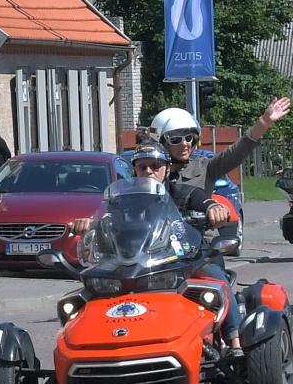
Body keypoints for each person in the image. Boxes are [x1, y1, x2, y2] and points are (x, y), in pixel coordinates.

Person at [73, 143, 244, 359]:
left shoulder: (185, 193)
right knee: (90, 294)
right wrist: (88, 224)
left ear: (167, 169)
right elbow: (105, 218)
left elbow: (205, 203)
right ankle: (90, 348)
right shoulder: (122, 201)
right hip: (137, 265)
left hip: (185, 261)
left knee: (215, 277)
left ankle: (234, 341)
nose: (149, 171)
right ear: (135, 170)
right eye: (142, 167)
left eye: (155, 166)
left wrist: (214, 209)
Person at [148, 97, 293, 193]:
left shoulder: (205, 168)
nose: (185, 144)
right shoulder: (146, 172)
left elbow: (238, 150)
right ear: (161, 142)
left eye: (189, 138)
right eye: (176, 140)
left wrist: (265, 121)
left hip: (195, 231)